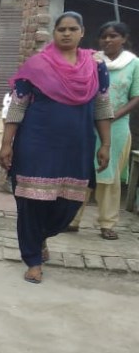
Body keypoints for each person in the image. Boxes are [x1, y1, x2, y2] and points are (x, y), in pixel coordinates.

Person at [0, 12, 112, 284]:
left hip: (77, 146)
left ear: (82, 32)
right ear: (54, 32)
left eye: (73, 28)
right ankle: (33, 259)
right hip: (36, 143)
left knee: (68, 204)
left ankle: (41, 237)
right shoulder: (37, 65)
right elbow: (18, 104)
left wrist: (106, 143)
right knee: (31, 202)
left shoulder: (96, 66)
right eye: (61, 29)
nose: (66, 33)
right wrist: (7, 144)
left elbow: (102, 106)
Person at [68, 21, 139, 239]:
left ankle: (107, 223)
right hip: (87, 125)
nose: (108, 40)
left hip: (116, 127)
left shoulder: (134, 63)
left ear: (124, 39)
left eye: (113, 36)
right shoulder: (91, 61)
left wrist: (111, 117)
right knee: (80, 172)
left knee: (109, 175)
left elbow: (136, 96)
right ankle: (72, 220)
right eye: (104, 36)